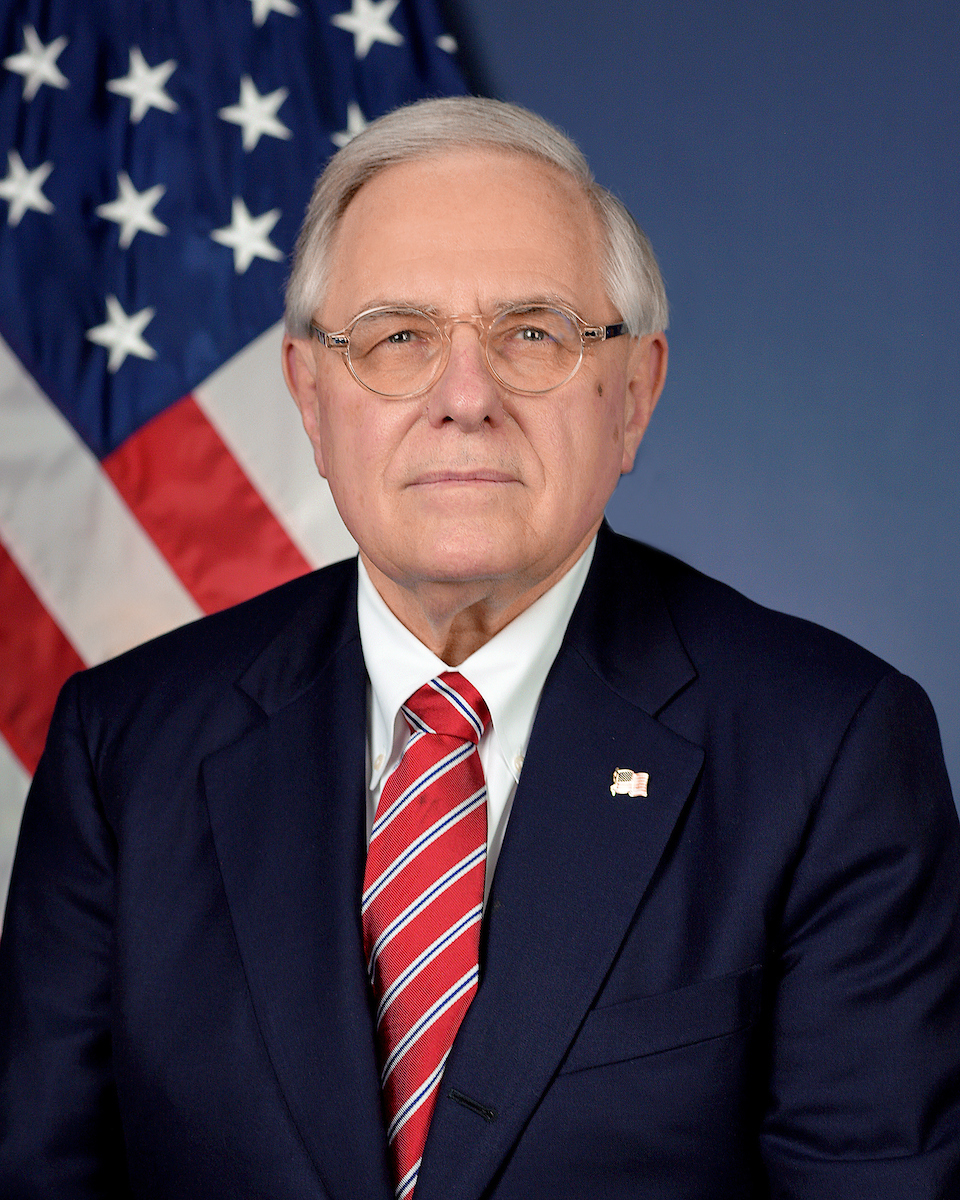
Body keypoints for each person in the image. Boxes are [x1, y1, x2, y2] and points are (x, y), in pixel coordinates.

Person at [1, 96, 958, 1200]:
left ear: (634, 395)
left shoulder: (829, 752)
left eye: (534, 334)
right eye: (399, 336)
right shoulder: (123, 747)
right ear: (311, 399)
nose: (466, 398)